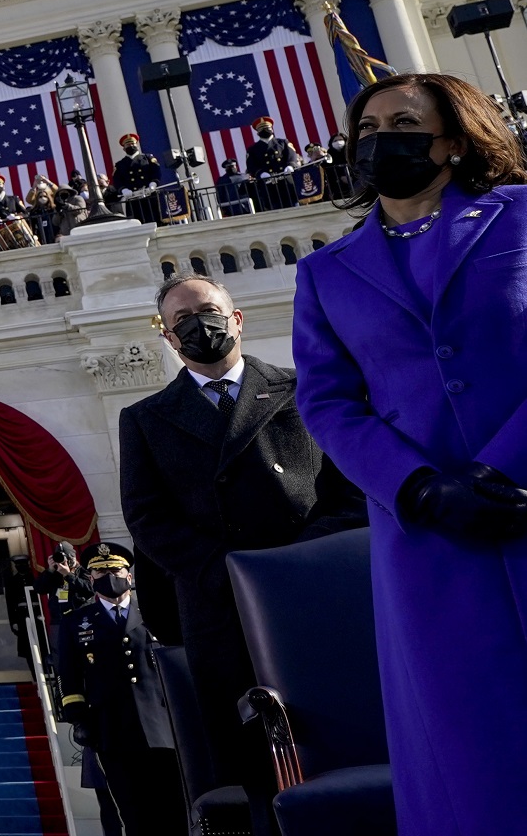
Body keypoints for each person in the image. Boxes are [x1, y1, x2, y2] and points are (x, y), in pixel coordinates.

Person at [290, 72, 527, 833]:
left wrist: (503, 466)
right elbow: (326, 402)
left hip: (520, 495)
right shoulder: (324, 273)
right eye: (364, 128)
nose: (376, 138)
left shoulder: (520, 217)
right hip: (428, 537)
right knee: (468, 744)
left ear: (452, 140)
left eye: (400, 121)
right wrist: (418, 487)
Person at [119, 273, 364, 831]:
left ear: (236, 318)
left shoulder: (304, 390)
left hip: (315, 598)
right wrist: (225, 570)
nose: (196, 325)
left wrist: (292, 565)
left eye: (206, 310)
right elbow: (147, 518)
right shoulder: (145, 419)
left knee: (342, 748)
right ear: (169, 338)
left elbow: (350, 492)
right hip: (220, 612)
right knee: (255, 765)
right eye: (180, 320)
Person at [52, 548, 181, 836]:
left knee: (174, 807)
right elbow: (68, 675)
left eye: (115, 571)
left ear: (129, 575)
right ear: (91, 577)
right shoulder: (77, 622)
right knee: (131, 810)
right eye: (100, 572)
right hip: (110, 729)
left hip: (163, 728)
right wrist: (78, 717)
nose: (109, 577)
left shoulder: (155, 613)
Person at [244, 118, 297, 208]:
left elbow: (291, 155)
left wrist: (290, 165)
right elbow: (251, 166)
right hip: (268, 185)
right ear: (257, 132)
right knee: (274, 207)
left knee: (292, 204)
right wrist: (260, 173)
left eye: (267, 128)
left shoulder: (283, 142)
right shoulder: (253, 149)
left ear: (272, 129)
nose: (265, 130)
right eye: (261, 129)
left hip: (286, 181)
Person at [112, 135, 162, 223]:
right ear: (124, 149)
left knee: (156, 219)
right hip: (133, 198)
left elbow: (156, 171)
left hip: (149, 195)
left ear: (137, 145)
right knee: (138, 221)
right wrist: (123, 189)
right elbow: (117, 180)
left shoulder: (147, 158)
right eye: (128, 145)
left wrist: (154, 182)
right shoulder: (120, 164)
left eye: (133, 144)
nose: (131, 146)